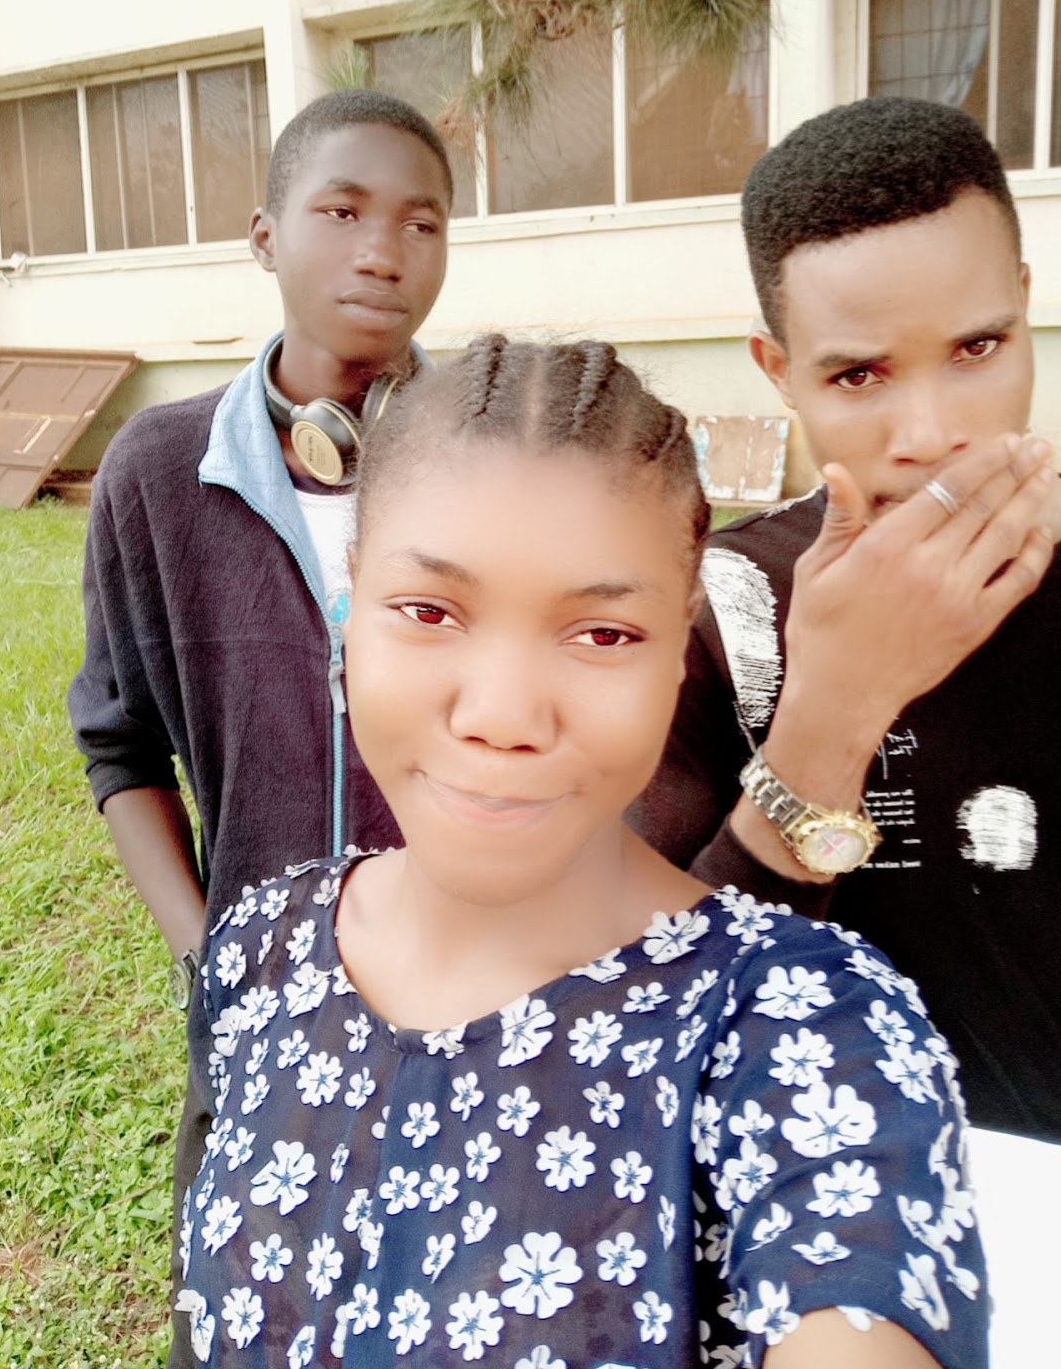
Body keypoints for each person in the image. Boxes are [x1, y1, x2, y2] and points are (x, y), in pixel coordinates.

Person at [174, 336, 987, 1367]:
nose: (503, 715)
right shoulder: (261, 947)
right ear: (348, 605)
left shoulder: (802, 1031)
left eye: (602, 634)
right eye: (429, 611)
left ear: (679, 645)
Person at [633, 97, 1060, 1357]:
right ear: (777, 370)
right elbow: (648, 1013)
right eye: (859, 374)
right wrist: (834, 707)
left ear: (1027, 305)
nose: (930, 433)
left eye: (978, 347)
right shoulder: (718, 613)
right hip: (835, 1257)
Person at [67, 89, 453, 1366]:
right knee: (244, 1322)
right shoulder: (157, 473)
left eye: (421, 223)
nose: (382, 252)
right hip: (258, 1010)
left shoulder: (496, 457)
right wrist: (209, 953)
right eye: (341, 212)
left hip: (469, 991)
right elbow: (118, 741)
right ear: (265, 235)